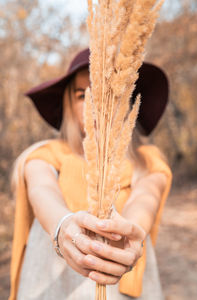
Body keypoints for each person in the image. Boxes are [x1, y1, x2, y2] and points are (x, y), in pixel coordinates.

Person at [9, 48, 172, 300]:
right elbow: (42, 190)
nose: (95, 103)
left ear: (126, 99)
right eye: (82, 94)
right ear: (68, 104)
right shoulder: (48, 154)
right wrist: (62, 226)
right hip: (52, 288)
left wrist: (127, 234)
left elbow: (145, 200)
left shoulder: (147, 160)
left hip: (121, 287)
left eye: (107, 91)